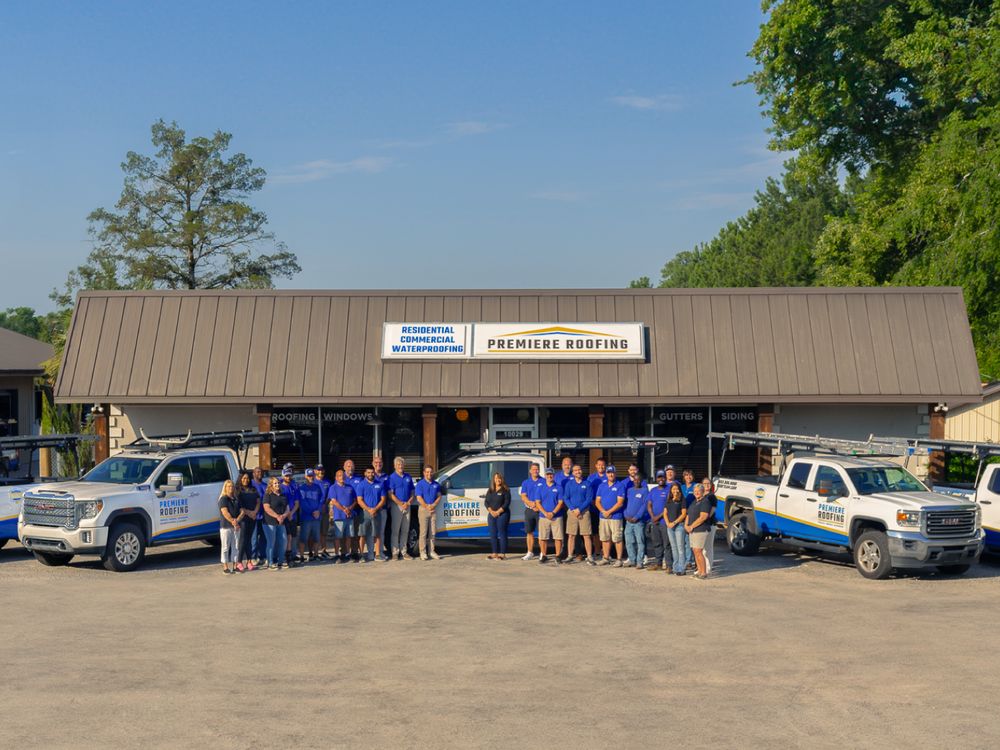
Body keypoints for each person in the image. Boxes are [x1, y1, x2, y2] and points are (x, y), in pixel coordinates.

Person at [562, 464, 596, 565]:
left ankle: (589, 556)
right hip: (572, 512)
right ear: (573, 473)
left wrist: (580, 509)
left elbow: (589, 498)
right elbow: (566, 498)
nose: (578, 472)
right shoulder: (569, 484)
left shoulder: (587, 483)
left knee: (586, 535)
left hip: (584, 512)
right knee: (571, 535)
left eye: (579, 469)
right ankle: (569, 556)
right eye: (575, 470)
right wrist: (573, 509)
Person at [595, 465, 625, 566]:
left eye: (612, 472)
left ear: (615, 473)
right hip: (603, 517)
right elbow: (597, 501)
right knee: (605, 538)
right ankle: (606, 558)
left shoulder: (620, 485)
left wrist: (609, 512)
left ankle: (619, 559)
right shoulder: (601, 486)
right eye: (608, 472)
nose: (610, 474)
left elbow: (620, 502)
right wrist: (604, 511)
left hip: (615, 517)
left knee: (617, 538)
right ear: (606, 474)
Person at [356, 466, 387, 563]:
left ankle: (377, 554)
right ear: (365, 473)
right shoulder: (361, 485)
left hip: (377, 512)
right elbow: (359, 500)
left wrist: (375, 509)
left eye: (372, 472)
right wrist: (369, 509)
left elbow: (383, 499)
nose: (370, 474)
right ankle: (361, 555)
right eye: (368, 472)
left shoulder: (380, 484)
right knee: (363, 534)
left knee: (377, 534)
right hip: (365, 513)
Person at [536, 467, 565, 564]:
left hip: (556, 516)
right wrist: (545, 513)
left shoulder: (559, 487)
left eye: (551, 474)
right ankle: (544, 555)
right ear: (545, 476)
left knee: (558, 537)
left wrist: (552, 513)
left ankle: (558, 556)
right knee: (543, 537)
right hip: (543, 516)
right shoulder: (540, 487)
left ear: (554, 475)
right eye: (548, 474)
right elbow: (538, 502)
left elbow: (560, 502)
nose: (549, 476)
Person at [388, 457, 415, 560]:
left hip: (407, 506)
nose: (400, 466)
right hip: (397, 506)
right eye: (398, 464)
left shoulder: (408, 477)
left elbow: (412, 491)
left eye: (402, 464)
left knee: (405, 530)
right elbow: (391, 494)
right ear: (395, 466)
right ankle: (395, 553)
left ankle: (404, 552)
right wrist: (400, 503)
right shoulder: (392, 477)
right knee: (395, 530)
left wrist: (408, 502)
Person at [328, 469, 357, 563]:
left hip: (349, 516)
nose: (342, 477)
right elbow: (334, 501)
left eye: (343, 476)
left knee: (349, 536)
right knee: (338, 536)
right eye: (340, 476)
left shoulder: (350, 487)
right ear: (336, 478)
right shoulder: (333, 488)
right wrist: (344, 509)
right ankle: (337, 555)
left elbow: (355, 500)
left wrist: (350, 509)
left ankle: (347, 554)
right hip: (339, 516)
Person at [646, 470, 672, 571]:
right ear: (656, 479)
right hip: (654, 521)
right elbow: (649, 505)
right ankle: (658, 563)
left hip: (664, 522)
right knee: (656, 543)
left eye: (663, 477)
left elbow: (669, 506)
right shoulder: (653, 491)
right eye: (659, 477)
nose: (661, 479)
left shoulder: (669, 490)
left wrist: (658, 517)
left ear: (665, 478)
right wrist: (653, 516)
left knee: (667, 544)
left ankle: (669, 565)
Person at [414, 465, 442, 560]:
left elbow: (439, 496)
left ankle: (432, 551)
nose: (429, 474)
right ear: (424, 473)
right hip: (423, 509)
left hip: (433, 509)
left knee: (433, 532)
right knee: (423, 532)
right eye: (427, 472)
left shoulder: (436, 484)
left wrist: (433, 505)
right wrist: (427, 506)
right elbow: (418, 497)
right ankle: (422, 552)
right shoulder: (420, 484)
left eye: (430, 472)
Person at [297, 468, 325, 562]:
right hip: (306, 517)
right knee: (304, 538)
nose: (311, 477)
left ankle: (316, 555)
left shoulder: (317, 487)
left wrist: (318, 510)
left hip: (317, 517)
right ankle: (301, 556)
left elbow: (321, 500)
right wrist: (312, 512)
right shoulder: (301, 488)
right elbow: (302, 503)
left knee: (316, 537)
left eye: (312, 475)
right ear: (305, 476)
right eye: (309, 476)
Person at [685, 483, 712, 579]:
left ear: (702, 492)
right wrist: (686, 525)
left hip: (700, 529)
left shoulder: (705, 502)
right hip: (692, 530)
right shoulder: (694, 502)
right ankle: (699, 571)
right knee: (695, 551)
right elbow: (688, 515)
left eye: (698, 491)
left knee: (698, 551)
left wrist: (691, 526)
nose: (696, 492)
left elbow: (703, 517)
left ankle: (703, 573)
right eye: (695, 491)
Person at [235, 472, 260, 572]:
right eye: (244, 478)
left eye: (248, 478)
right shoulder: (238, 491)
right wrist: (249, 513)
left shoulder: (253, 489)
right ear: (241, 479)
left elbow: (258, 502)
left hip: (252, 518)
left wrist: (255, 512)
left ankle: (249, 561)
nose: (246, 480)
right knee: (243, 540)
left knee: (249, 540)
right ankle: (239, 562)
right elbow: (239, 505)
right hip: (243, 518)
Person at [262, 477, 290, 570]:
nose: (277, 484)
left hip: (281, 522)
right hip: (269, 522)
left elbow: (287, 508)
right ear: (271, 485)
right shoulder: (267, 495)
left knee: (284, 541)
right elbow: (267, 508)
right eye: (275, 483)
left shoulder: (283, 495)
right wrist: (277, 516)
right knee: (271, 542)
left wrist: (283, 516)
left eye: (278, 483)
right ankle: (270, 563)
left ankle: (281, 562)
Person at [623, 471, 648, 569]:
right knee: (629, 541)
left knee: (640, 542)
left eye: (638, 480)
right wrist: (625, 515)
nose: (636, 481)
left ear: (641, 481)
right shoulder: (629, 490)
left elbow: (644, 506)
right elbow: (626, 504)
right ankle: (632, 560)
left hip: (639, 522)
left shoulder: (645, 491)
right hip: (628, 521)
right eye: (635, 479)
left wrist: (637, 517)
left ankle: (639, 562)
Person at [519, 463, 545, 561]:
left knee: (541, 533)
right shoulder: (526, 482)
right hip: (529, 510)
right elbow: (523, 496)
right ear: (530, 471)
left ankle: (543, 553)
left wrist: (538, 506)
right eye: (533, 469)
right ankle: (530, 552)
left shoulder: (543, 481)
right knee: (529, 532)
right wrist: (531, 504)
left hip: (540, 511)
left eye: (537, 469)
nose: (535, 471)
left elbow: (546, 495)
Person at [484, 472, 511, 559]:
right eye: (496, 478)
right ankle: (494, 553)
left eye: (499, 478)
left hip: (503, 514)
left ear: (502, 480)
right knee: (493, 534)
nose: (498, 480)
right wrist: (491, 511)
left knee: (502, 533)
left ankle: (502, 554)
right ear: (493, 480)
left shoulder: (505, 490)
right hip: (491, 514)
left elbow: (507, 503)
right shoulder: (490, 490)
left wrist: (498, 512)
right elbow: (486, 502)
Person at [218, 479, 241, 574]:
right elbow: (225, 512)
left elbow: (242, 511)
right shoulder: (223, 499)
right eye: (229, 486)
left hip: (236, 526)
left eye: (232, 486)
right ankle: (225, 566)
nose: (231, 488)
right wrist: (233, 521)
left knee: (235, 546)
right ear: (225, 488)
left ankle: (235, 566)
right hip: (226, 527)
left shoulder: (235, 499)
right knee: (225, 547)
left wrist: (237, 520)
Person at [587, 457, 608, 561]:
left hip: (606, 509)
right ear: (596, 466)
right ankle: (597, 551)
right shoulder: (591, 478)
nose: (601, 466)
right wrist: (592, 502)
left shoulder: (609, 476)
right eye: (599, 465)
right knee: (595, 532)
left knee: (606, 532)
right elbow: (587, 491)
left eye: (603, 465)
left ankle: (606, 552)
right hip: (593, 508)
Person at [279, 468, 301, 567]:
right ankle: (283, 557)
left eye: (289, 475)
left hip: (292, 516)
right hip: (283, 516)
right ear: (283, 476)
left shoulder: (294, 487)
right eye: (286, 476)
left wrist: (291, 513)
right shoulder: (280, 487)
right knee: (284, 537)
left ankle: (291, 556)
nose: (288, 477)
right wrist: (285, 514)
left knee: (292, 536)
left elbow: (297, 503)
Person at [342, 459, 363, 560]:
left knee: (355, 532)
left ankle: (354, 552)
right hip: (344, 511)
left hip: (356, 510)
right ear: (344, 467)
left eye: (352, 466)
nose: (350, 468)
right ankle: (344, 553)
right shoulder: (341, 478)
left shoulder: (359, 479)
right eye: (348, 466)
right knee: (345, 533)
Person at [665, 483, 688, 575]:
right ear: (671, 490)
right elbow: (665, 513)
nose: (675, 491)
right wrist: (668, 524)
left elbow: (683, 514)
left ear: (679, 490)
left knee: (680, 548)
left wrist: (674, 523)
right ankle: (675, 567)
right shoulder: (669, 500)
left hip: (679, 526)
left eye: (677, 489)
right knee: (674, 548)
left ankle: (681, 568)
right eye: (673, 489)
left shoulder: (682, 500)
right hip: (670, 527)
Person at [372, 455, 390, 561]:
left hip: (383, 509)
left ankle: (380, 552)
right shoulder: (370, 475)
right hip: (371, 509)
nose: (378, 464)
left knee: (381, 531)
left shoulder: (386, 477)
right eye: (376, 462)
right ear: (373, 463)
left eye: (380, 462)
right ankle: (372, 552)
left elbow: (389, 492)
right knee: (372, 532)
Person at [314, 464, 333, 560]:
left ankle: (323, 550)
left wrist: (325, 504)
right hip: (314, 511)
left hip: (324, 510)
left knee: (324, 531)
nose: (320, 472)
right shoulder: (312, 481)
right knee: (314, 532)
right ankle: (313, 552)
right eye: (318, 470)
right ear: (315, 471)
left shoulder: (327, 482)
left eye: (322, 470)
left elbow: (329, 496)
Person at [250, 466, 268, 566]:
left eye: (261, 472)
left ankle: (262, 556)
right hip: (253, 516)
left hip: (264, 516)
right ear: (253, 473)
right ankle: (253, 557)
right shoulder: (250, 485)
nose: (259, 473)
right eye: (257, 472)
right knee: (254, 539)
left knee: (263, 538)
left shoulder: (265, 485)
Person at [701, 477, 719, 575]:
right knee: (702, 549)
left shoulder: (712, 497)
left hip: (710, 524)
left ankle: (708, 568)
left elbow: (711, 512)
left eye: (708, 483)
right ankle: (702, 567)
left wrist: (703, 519)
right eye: (705, 483)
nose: (707, 485)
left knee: (708, 548)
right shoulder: (701, 496)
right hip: (702, 525)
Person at [680, 468, 697, 569]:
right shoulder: (681, 487)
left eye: (690, 475)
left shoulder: (696, 486)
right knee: (683, 540)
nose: (688, 477)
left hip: (692, 516)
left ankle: (689, 560)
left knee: (690, 540)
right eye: (686, 475)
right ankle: (686, 560)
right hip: (682, 516)